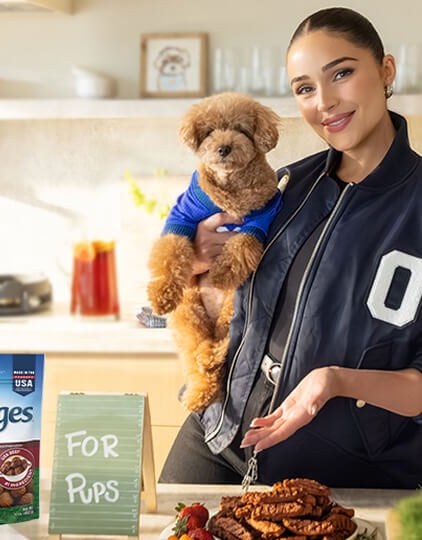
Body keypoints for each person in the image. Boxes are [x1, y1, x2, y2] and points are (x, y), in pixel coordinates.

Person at [158, 7, 422, 488]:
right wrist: (196, 259)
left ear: (386, 71)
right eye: (304, 88)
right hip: (218, 437)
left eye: (341, 73)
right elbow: (208, 285)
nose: (325, 101)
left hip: (347, 470)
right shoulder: (282, 187)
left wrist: (335, 382)